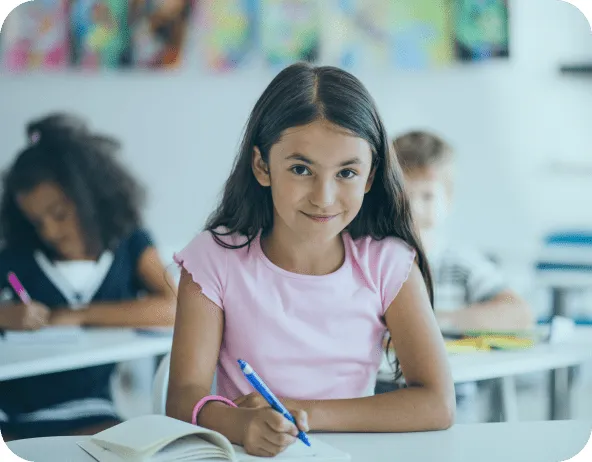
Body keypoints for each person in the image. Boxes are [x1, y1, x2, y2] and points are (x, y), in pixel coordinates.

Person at [166, 63, 455, 458]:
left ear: (370, 177)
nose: (323, 196)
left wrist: (298, 413)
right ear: (262, 166)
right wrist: (240, 423)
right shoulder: (213, 258)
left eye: (347, 173)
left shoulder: (389, 263)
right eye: (301, 169)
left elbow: (437, 403)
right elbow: (183, 398)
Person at [0, 113, 176, 440]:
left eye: (59, 215)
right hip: (12, 412)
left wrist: (76, 315)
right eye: (37, 222)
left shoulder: (129, 242)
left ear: (90, 198)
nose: (50, 231)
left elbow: (175, 309)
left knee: (133, 445)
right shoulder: (19, 256)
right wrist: (5, 316)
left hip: (90, 407)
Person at [385, 130, 533, 422]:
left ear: (448, 199)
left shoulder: (460, 263)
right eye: (404, 195)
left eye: (427, 196)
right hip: (383, 397)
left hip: (452, 405)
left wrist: (429, 323)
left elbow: (519, 314)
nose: (414, 209)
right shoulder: (375, 261)